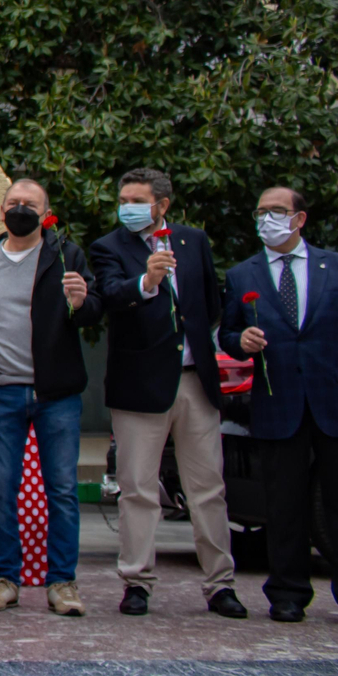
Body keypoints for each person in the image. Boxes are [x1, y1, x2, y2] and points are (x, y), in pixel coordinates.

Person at [89, 167, 244, 619]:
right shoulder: (109, 246)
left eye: (137, 200)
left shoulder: (192, 241)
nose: (127, 207)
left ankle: (220, 584)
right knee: (138, 490)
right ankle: (136, 581)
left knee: (208, 489)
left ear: (162, 205)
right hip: (140, 385)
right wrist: (148, 283)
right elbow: (111, 297)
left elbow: (211, 304)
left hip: (196, 381)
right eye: (123, 198)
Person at [0, 178, 102, 617]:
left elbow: (92, 312)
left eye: (30, 204)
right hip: (0, 393)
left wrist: (81, 302)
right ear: (1, 210)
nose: (21, 209)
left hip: (56, 394)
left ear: (46, 212)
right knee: (1, 490)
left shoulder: (65, 253)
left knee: (61, 490)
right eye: (14, 203)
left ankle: (62, 583)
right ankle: (6, 578)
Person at [218, 187, 338, 622]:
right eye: (261, 212)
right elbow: (227, 332)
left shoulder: (334, 266)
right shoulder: (242, 275)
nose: (267, 218)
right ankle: (287, 593)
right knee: (284, 505)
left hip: (331, 400)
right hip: (277, 401)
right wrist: (240, 342)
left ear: (299, 218)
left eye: (277, 211)